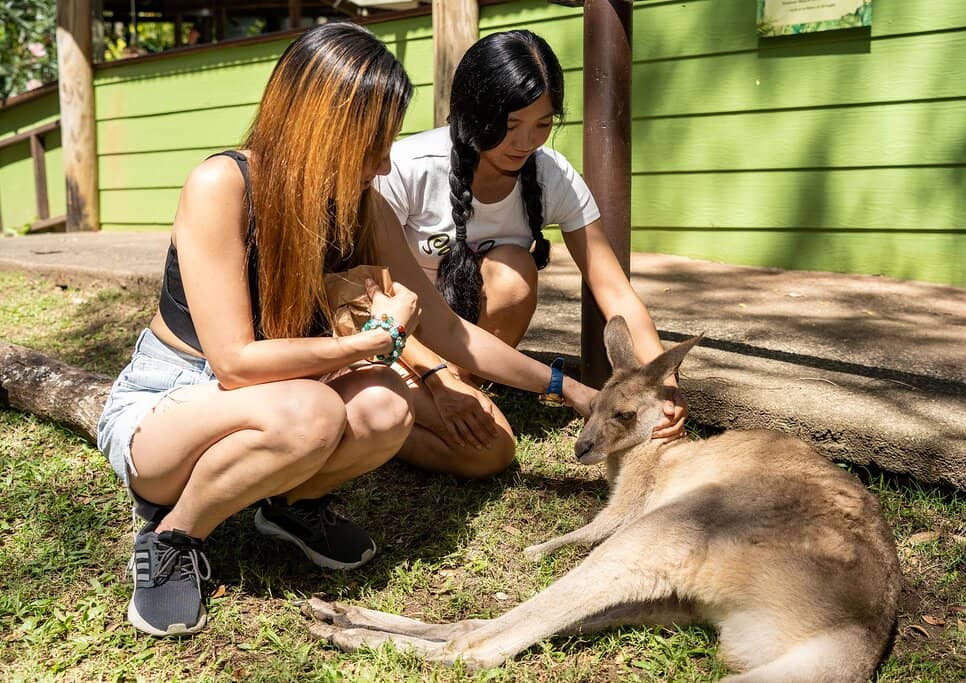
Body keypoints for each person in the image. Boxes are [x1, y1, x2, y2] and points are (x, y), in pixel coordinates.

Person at [95, 22, 596, 638]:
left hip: (278, 398)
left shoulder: (360, 203)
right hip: (173, 403)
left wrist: (567, 388)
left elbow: (449, 330)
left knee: (386, 406)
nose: (385, 162)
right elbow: (233, 363)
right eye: (372, 145)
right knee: (313, 410)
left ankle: (289, 504)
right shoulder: (222, 184)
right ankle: (174, 534)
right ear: (319, 128)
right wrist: (366, 343)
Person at [376, 30, 687, 475]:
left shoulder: (549, 174)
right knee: (491, 451)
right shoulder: (406, 168)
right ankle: (386, 414)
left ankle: (456, 394)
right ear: (472, 113)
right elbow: (369, 298)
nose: (525, 142)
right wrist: (433, 375)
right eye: (509, 125)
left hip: (465, 350)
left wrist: (662, 380)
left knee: (513, 269)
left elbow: (613, 288)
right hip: (399, 346)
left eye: (542, 124)